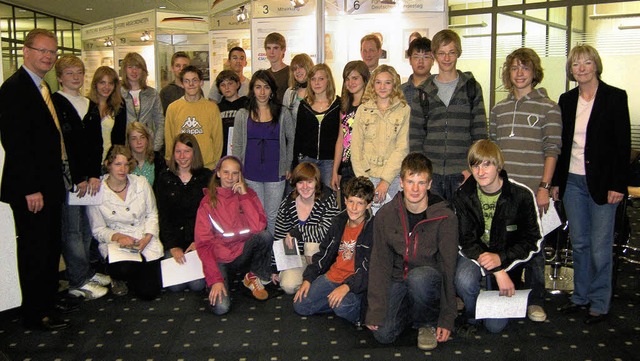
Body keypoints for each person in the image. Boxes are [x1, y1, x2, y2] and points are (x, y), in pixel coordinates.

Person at [552, 45, 630, 325]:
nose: (581, 68)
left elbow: (623, 146)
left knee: (600, 246)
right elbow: (561, 144)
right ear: (570, 70)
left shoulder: (614, 97)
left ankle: (599, 301)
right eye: (576, 64)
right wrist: (556, 182)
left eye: (586, 62)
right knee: (580, 243)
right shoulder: (567, 99)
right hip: (572, 181)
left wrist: (618, 184)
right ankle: (580, 297)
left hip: (603, 183)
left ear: (596, 65)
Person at [0, 29, 69, 330]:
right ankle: (35, 313)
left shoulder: (40, 87)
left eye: (52, 52)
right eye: (42, 50)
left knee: (50, 246)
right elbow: (15, 143)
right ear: (25, 52)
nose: (48, 57)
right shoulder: (14, 89)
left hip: (48, 186)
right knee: (34, 250)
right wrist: (31, 188)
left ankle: (48, 302)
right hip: (32, 191)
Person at [489, 47, 562, 323]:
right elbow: (492, 152)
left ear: (534, 72)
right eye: (514, 68)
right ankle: (509, 296)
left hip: (534, 191)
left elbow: (552, 149)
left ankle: (535, 301)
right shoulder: (498, 109)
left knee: (534, 249)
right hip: (504, 191)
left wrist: (545, 185)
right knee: (506, 244)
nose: (519, 73)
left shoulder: (549, 108)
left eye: (525, 68)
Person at [365, 152, 458, 351]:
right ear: (400, 182)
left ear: (430, 184)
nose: (415, 189)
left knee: (419, 278)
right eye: (410, 181)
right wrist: (376, 310)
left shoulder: (445, 217)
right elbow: (379, 264)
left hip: (428, 278)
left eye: (421, 182)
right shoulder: (385, 215)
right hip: (398, 279)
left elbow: (448, 267)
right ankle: (411, 310)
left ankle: (427, 322)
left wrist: (447, 318)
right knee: (383, 335)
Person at [453, 139, 542, 334]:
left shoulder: (521, 195)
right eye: (475, 165)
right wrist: (497, 270)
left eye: (487, 164)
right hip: (476, 257)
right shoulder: (463, 195)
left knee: (495, 327)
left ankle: (487, 294)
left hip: (508, 258)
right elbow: (466, 240)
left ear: (498, 165)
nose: (481, 172)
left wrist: (501, 261)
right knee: (464, 279)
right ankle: (472, 314)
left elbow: (533, 241)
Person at [51, 54, 111, 300]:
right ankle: (77, 280)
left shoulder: (89, 104)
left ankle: (85, 272)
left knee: (87, 228)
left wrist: (94, 174)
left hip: (90, 178)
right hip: (70, 180)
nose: (75, 78)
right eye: (69, 74)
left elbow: (95, 143)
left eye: (79, 73)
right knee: (72, 231)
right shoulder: (55, 104)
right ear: (60, 78)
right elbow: (65, 145)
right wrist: (79, 178)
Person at [194, 156, 273, 315]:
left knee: (265, 236)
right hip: (220, 259)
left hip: (242, 253)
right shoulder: (207, 203)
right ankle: (219, 281)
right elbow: (204, 245)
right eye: (226, 172)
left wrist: (244, 197)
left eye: (235, 173)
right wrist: (215, 280)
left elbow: (259, 227)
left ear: (240, 176)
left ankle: (253, 276)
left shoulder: (248, 194)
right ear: (218, 173)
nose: (230, 178)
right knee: (221, 308)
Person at [293, 176, 375, 325]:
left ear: (368, 205)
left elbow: (369, 268)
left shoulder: (373, 229)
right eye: (351, 201)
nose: (354, 208)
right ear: (345, 200)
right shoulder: (338, 222)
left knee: (343, 305)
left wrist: (347, 286)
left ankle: (360, 311)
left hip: (355, 282)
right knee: (300, 305)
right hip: (334, 276)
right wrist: (308, 278)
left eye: (360, 203)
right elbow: (323, 253)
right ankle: (334, 301)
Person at [87, 145, 164, 300]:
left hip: (143, 238)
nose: (122, 169)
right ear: (108, 165)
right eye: (117, 164)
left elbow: (152, 215)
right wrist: (117, 237)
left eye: (125, 164)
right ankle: (118, 277)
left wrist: (147, 238)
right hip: (118, 243)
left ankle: (139, 276)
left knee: (150, 292)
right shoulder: (97, 191)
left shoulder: (141, 184)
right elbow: (98, 229)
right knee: (124, 268)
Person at [420, 29, 487, 201]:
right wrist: (422, 172)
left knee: (462, 225)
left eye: (451, 52)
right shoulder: (424, 91)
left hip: (462, 173)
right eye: (441, 53)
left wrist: (472, 169)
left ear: (458, 54)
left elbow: (480, 134)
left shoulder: (472, 88)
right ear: (434, 55)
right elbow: (416, 136)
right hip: (431, 175)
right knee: (434, 223)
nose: (447, 58)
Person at [232, 70, 295, 237]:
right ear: (252, 89)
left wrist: (288, 165)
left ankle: (273, 255)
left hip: (275, 173)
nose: (262, 92)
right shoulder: (242, 114)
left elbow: (292, 140)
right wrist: (237, 172)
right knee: (255, 216)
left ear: (272, 90)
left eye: (266, 87)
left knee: (272, 216)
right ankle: (260, 253)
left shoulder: (282, 113)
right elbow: (237, 145)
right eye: (258, 87)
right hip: (251, 173)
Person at [272, 162, 340, 295]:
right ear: (295, 184)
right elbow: (279, 236)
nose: (305, 187)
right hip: (298, 255)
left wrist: (298, 232)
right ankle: (310, 283)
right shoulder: (287, 204)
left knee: (311, 245)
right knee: (288, 286)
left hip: (324, 255)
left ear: (316, 182)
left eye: (309, 182)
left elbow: (327, 232)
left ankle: (319, 280)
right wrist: (275, 267)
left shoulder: (328, 198)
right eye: (300, 182)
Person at [156, 134, 211, 292]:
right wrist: (173, 246)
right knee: (175, 287)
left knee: (197, 286)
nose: (182, 156)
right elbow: (162, 216)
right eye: (178, 151)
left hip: (198, 241)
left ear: (194, 153)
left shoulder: (206, 177)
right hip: (175, 241)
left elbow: (211, 217)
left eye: (187, 151)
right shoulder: (164, 178)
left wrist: (198, 242)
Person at [351, 65, 410, 213]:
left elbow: (402, 148)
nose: (382, 87)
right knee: (368, 221)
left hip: (393, 178)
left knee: (392, 220)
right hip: (367, 176)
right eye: (378, 82)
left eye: (387, 82)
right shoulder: (363, 110)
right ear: (373, 84)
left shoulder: (404, 110)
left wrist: (385, 181)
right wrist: (365, 182)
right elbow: (356, 147)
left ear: (394, 84)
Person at [164, 65, 223, 170]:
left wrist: (215, 164)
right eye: (187, 81)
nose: (191, 84)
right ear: (182, 84)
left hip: (207, 166)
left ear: (201, 82)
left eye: (194, 80)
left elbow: (218, 139)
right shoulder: (173, 108)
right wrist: (169, 159)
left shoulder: (212, 108)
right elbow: (169, 138)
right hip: (182, 166)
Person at [293, 64, 341, 188]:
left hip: (329, 162)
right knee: (306, 196)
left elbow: (341, 139)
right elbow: (298, 136)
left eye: (321, 79)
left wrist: (338, 169)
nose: (317, 83)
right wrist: (294, 164)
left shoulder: (338, 105)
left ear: (328, 81)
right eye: (313, 79)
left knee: (328, 199)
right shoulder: (304, 106)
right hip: (307, 160)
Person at [331, 61, 370, 199]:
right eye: (347, 79)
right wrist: (335, 170)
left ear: (365, 79)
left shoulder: (370, 105)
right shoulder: (345, 106)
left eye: (355, 78)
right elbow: (340, 139)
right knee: (346, 208)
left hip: (364, 166)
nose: (350, 82)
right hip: (346, 166)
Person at [121, 52, 165, 152]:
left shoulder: (152, 94)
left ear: (143, 70)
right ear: (124, 70)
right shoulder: (118, 94)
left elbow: (160, 122)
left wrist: (156, 147)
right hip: (125, 147)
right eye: (130, 67)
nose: (134, 71)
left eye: (138, 67)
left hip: (148, 145)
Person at [401, 37, 435, 153]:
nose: (421, 62)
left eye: (426, 57)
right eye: (416, 57)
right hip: (402, 153)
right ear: (410, 60)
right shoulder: (399, 92)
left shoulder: (439, 90)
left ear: (433, 60)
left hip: (432, 153)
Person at [87, 66, 127, 162]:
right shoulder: (87, 104)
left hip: (110, 160)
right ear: (95, 84)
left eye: (110, 83)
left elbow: (120, 138)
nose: (107, 87)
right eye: (102, 83)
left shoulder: (119, 105)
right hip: (89, 160)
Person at [215, 70, 248, 157]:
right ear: (219, 88)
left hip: (244, 149)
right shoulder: (217, 108)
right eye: (223, 85)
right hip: (224, 151)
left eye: (230, 83)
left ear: (237, 84)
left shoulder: (247, 105)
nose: (227, 88)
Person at [127, 122, 165, 188]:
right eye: (134, 138)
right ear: (128, 141)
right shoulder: (124, 162)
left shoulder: (158, 160)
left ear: (147, 140)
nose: (139, 142)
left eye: (142, 137)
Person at [283, 53, 314, 122]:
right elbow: (284, 120)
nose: (297, 71)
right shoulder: (289, 93)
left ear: (308, 67)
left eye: (301, 67)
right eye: (294, 69)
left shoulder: (317, 91)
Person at [264, 33, 290, 103]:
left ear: (283, 50)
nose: (271, 52)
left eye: (275, 48)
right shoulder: (264, 75)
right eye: (268, 48)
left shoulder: (291, 73)